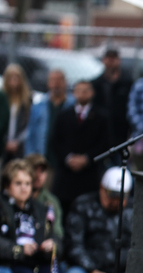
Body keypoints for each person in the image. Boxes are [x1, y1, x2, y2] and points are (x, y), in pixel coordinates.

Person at [63, 166, 133, 273]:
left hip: (125, 271)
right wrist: (93, 271)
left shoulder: (135, 210)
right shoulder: (83, 206)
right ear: (102, 188)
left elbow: (142, 247)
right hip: (90, 269)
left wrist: (131, 272)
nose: (116, 201)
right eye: (112, 196)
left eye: (121, 197)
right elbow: (74, 244)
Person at [0, 160, 58, 273]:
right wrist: (18, 249)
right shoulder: (2, 207)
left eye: (27, 184)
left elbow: (56, 237)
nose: (24, 188)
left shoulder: (40, 209)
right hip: (11, 262)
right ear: (7, 185)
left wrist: (52, 244)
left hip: (37, 260)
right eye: (18, 183)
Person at [51, 80, 110, 216]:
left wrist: (87, 159)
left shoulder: (101, 117)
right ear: (74, 93)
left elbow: (104, 143)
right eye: (79, 90)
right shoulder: (63, 115)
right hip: (66, 176)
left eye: (86, 90)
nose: (82, 94)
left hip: (88, 176)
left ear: (92, 93)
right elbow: (55, 141)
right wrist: (68, 158)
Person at [25, 69, 74, 164]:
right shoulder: (39, 106)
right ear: (48, 83)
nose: (56, 84)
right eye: (53, 80)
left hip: (66, 160)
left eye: (59, 80)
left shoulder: (73, 105)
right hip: (43, 158)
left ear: (65, 82)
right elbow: (31, 134)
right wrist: (30, 157)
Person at [92, 48, 134, 156]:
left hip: (122, 133)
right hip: (100, 134)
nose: (111, 62)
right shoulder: (96, 84)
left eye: (113, 59)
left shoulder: (127, 83)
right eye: (108, 59)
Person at [2, 64, 32, 163]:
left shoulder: (27, 100)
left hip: (20, 147)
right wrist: (5, 141)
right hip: (3, 145)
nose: (14, 82)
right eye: (11, 78)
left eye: (16, 78)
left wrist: (17, 142)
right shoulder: (2, 99)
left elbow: (29, 124)